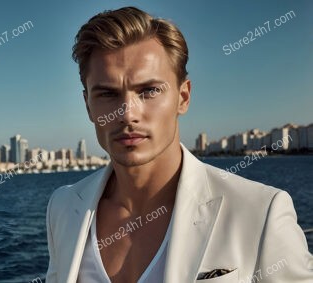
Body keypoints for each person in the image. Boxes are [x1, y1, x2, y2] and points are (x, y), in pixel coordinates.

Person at [45, 6, 312, 283]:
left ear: (183, 97)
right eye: (107, 94)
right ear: (88, 105)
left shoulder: (260, 212)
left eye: (149, 91)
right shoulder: (63, 208)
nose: (127, 114)